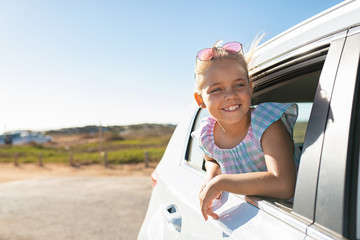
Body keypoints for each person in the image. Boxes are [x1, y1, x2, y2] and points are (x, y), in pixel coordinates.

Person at [191, 40, 301, 221]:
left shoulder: (265, 123)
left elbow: (283, 185)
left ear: (250, 88)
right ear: (200, 99)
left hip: (296, 214)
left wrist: (222, 182)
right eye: (217, 89)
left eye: (239, 85)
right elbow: (210, 158)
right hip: (253, 217)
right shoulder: (207, 134)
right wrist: (213, 173)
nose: (230, 95)